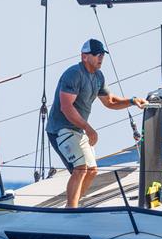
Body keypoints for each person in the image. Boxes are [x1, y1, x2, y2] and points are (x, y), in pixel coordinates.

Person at [46, 39, 148, 208]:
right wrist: (89, 128)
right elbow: (65, 107)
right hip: (60, 129)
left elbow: (110, 102)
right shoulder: (74, 74)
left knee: (92, 171)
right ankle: (71, 210)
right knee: (80, 169)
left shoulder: (98, 76)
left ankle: (73, 205)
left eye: (102, 55)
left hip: (78, 129)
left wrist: (132, 101)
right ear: (84, 56)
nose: (100, 58)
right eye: (96, 54)